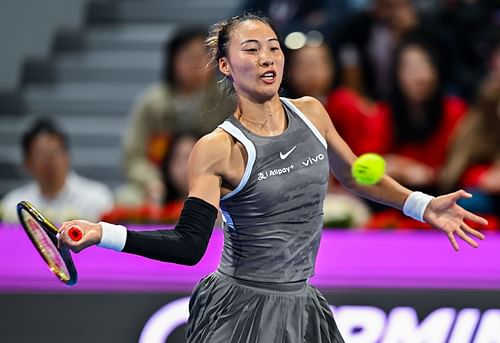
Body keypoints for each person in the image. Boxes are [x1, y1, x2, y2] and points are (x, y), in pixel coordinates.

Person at [58, 14, 487, 343]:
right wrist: (104, 233)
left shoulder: (312, 112)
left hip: (302, 305)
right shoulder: (218, 149)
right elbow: (190, 247)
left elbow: (355, 176)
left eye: (274, 48)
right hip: (239, 311)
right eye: (251, 49)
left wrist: (422, 204)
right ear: (225, 65)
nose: (266, 58)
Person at [120, 27, 235, 206]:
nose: (198, 64)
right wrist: (151, 181)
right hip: (161, 182)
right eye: (190, 57)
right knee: (127, 200)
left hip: (214, 180)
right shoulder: (152, 103)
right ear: (173, 61)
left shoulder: (228, 100)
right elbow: (133, 156)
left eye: (204, 56)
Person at [0, 118, 113, 223]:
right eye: (42, 155)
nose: (50, 161)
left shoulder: (97, 199)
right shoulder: (14, 205)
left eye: (55, 152)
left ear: (67, 156)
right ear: (27, 162)